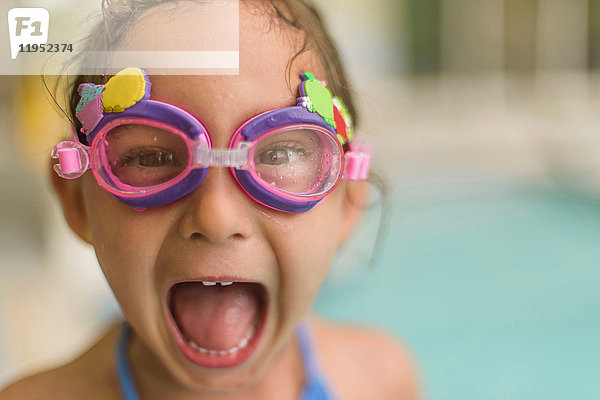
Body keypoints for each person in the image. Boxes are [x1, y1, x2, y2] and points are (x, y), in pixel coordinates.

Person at [0, 0, 419, 398]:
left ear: (348, 202)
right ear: (76, 202)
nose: (216, 217)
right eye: (151, 157)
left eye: (279, 154)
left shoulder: (377, 381)